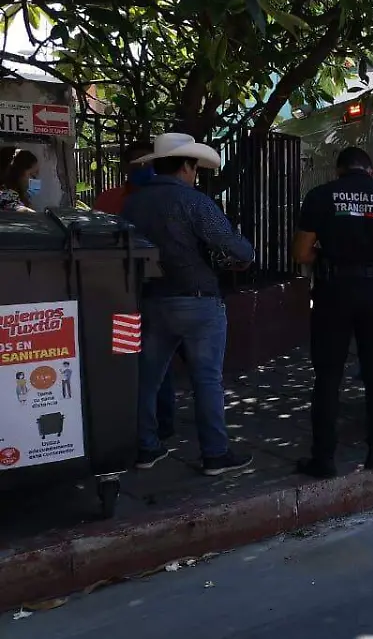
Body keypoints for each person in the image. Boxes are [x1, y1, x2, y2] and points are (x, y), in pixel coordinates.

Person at [122, 133, 256, 475]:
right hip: (198, 301)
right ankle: (214, 453)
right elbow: (236, 248)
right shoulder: (195, 202)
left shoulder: (133, 204)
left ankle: (145, 446)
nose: (195, 175)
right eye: (194, 168)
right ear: (185, 166)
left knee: (146, 380)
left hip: (151, 300)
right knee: (207, 380)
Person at [292, 146, 373, 479]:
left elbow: (301, 253)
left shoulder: (320, 196)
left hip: (332, 292)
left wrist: (329, 259)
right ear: (371, 171)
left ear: (339, 170)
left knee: (327, 377)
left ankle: (323, 459)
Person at [93, 140, 155, 214]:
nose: (148, 168)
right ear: (125, 167)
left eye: (152, 164)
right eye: (141, 163)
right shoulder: (107, 198)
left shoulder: (164, 198)